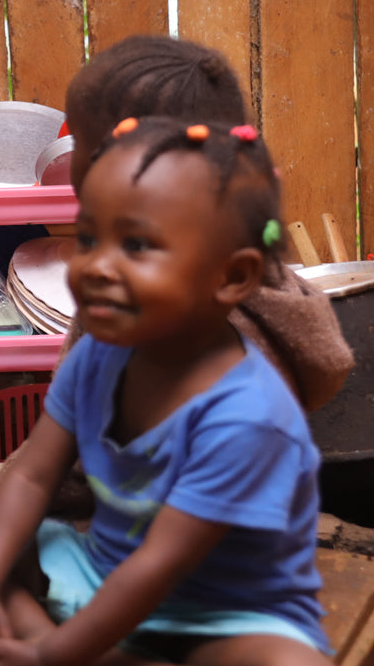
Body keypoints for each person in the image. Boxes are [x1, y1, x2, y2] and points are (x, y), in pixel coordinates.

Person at [0, 118, 367, 666]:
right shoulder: (99, 350)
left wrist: (41, 663)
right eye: (90, 237)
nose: (96, 267)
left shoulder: (249, 418)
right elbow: (34, 476)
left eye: (138, 246)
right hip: (99, 574)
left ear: (231, 278)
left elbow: (157, 569)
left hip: (218, 620)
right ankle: (76, 662)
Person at [59, 35, 352, 412]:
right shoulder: (203, 279)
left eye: (80, 141)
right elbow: (68, 421)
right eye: (86, 241)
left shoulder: (187, 322)